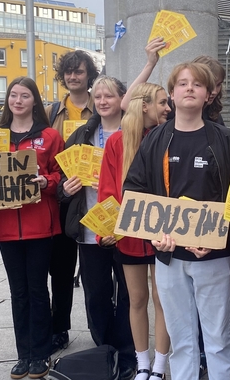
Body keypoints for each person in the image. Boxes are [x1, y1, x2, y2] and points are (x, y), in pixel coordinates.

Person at [123, 62, 230, 380]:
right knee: (180, 341)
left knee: (218, 340)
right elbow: (134, 189)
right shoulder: (155, 140)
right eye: (182, 83)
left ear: (209, 94)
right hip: (168, 256)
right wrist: (155, 234)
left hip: (214, 257)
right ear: (171, 93)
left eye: (197, 84)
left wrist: (218, 237)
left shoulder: (226, 140)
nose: (189, 88)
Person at [59, 76, 137, 379]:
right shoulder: (80, 135)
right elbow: (61, 187)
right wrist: (67, 188)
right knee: (96, 292)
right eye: (99, 96)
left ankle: (128, 351)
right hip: (91, 226)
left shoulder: (135, 134)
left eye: (110, 96)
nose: (103, 101)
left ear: (123, 99)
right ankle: (104, 349)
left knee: (131, 293)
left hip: (127, 227)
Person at [98, 82, 172, 380]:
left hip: (164, 236)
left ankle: (160, 366)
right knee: (136, 299)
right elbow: (107, 190)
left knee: (162, 299)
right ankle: (142, 364)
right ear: (145, 106)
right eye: (162, 102)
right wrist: (106, 228)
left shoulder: (169, 138)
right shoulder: (116, 143)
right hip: (128, 237)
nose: (168, 108)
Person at [0, 77, 64, 379]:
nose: (18, 100)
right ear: (8, 100)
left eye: (25, 95)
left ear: (35, 101)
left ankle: (41, 352)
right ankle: (23, 353)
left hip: (40, 225)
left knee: (37, 290)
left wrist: (46, 182)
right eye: (14, 95)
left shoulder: (50, 136)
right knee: (18, 291)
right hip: (6, 225)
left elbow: (62, 175)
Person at [45, 50, 99, 353]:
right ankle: (59, 327)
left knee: (96, 272)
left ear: (88, 74)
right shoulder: (53, 111)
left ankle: (100, 327)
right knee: (62, 269)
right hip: (65, 197)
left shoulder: (101, 105)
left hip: (93, 195)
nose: (73, 77)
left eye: (78, 71)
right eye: (68, 72)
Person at [121, 38, 226, 126]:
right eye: (184, 84)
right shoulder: (169, 106)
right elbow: (128, 105)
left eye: (218, 84)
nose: (214, 91)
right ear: (172, 93)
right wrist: (150, 64)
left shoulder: (215, 115)